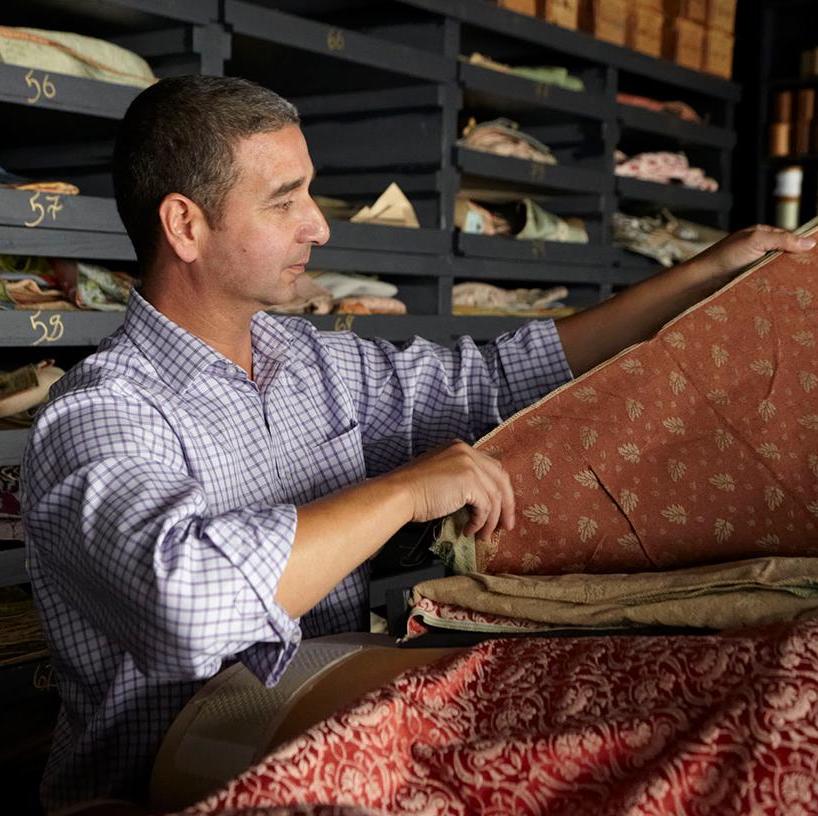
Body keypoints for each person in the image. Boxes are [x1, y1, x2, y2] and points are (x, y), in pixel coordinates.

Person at [21, 74, 815, 814]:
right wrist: (402, 489)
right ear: (185, 225)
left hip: (314, 722)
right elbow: (186, 604)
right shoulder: (103, 415)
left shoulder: (312, 363)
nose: (319, 224)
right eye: (283, 200)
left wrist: (707, 277)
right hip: (155, 793)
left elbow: (502, 378)